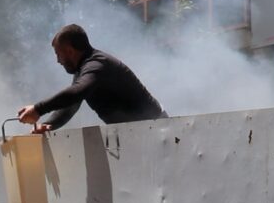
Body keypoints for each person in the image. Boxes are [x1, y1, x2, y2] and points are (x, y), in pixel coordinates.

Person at [18, 23, 167, 133]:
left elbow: (77, 92)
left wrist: (38, 109)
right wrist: (48, 125)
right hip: (135, 133)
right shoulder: (83, 69)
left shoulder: (97, 65)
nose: (58, 60)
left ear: (70, 51)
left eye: (58, 54)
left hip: (157, 129)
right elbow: (71, 105)